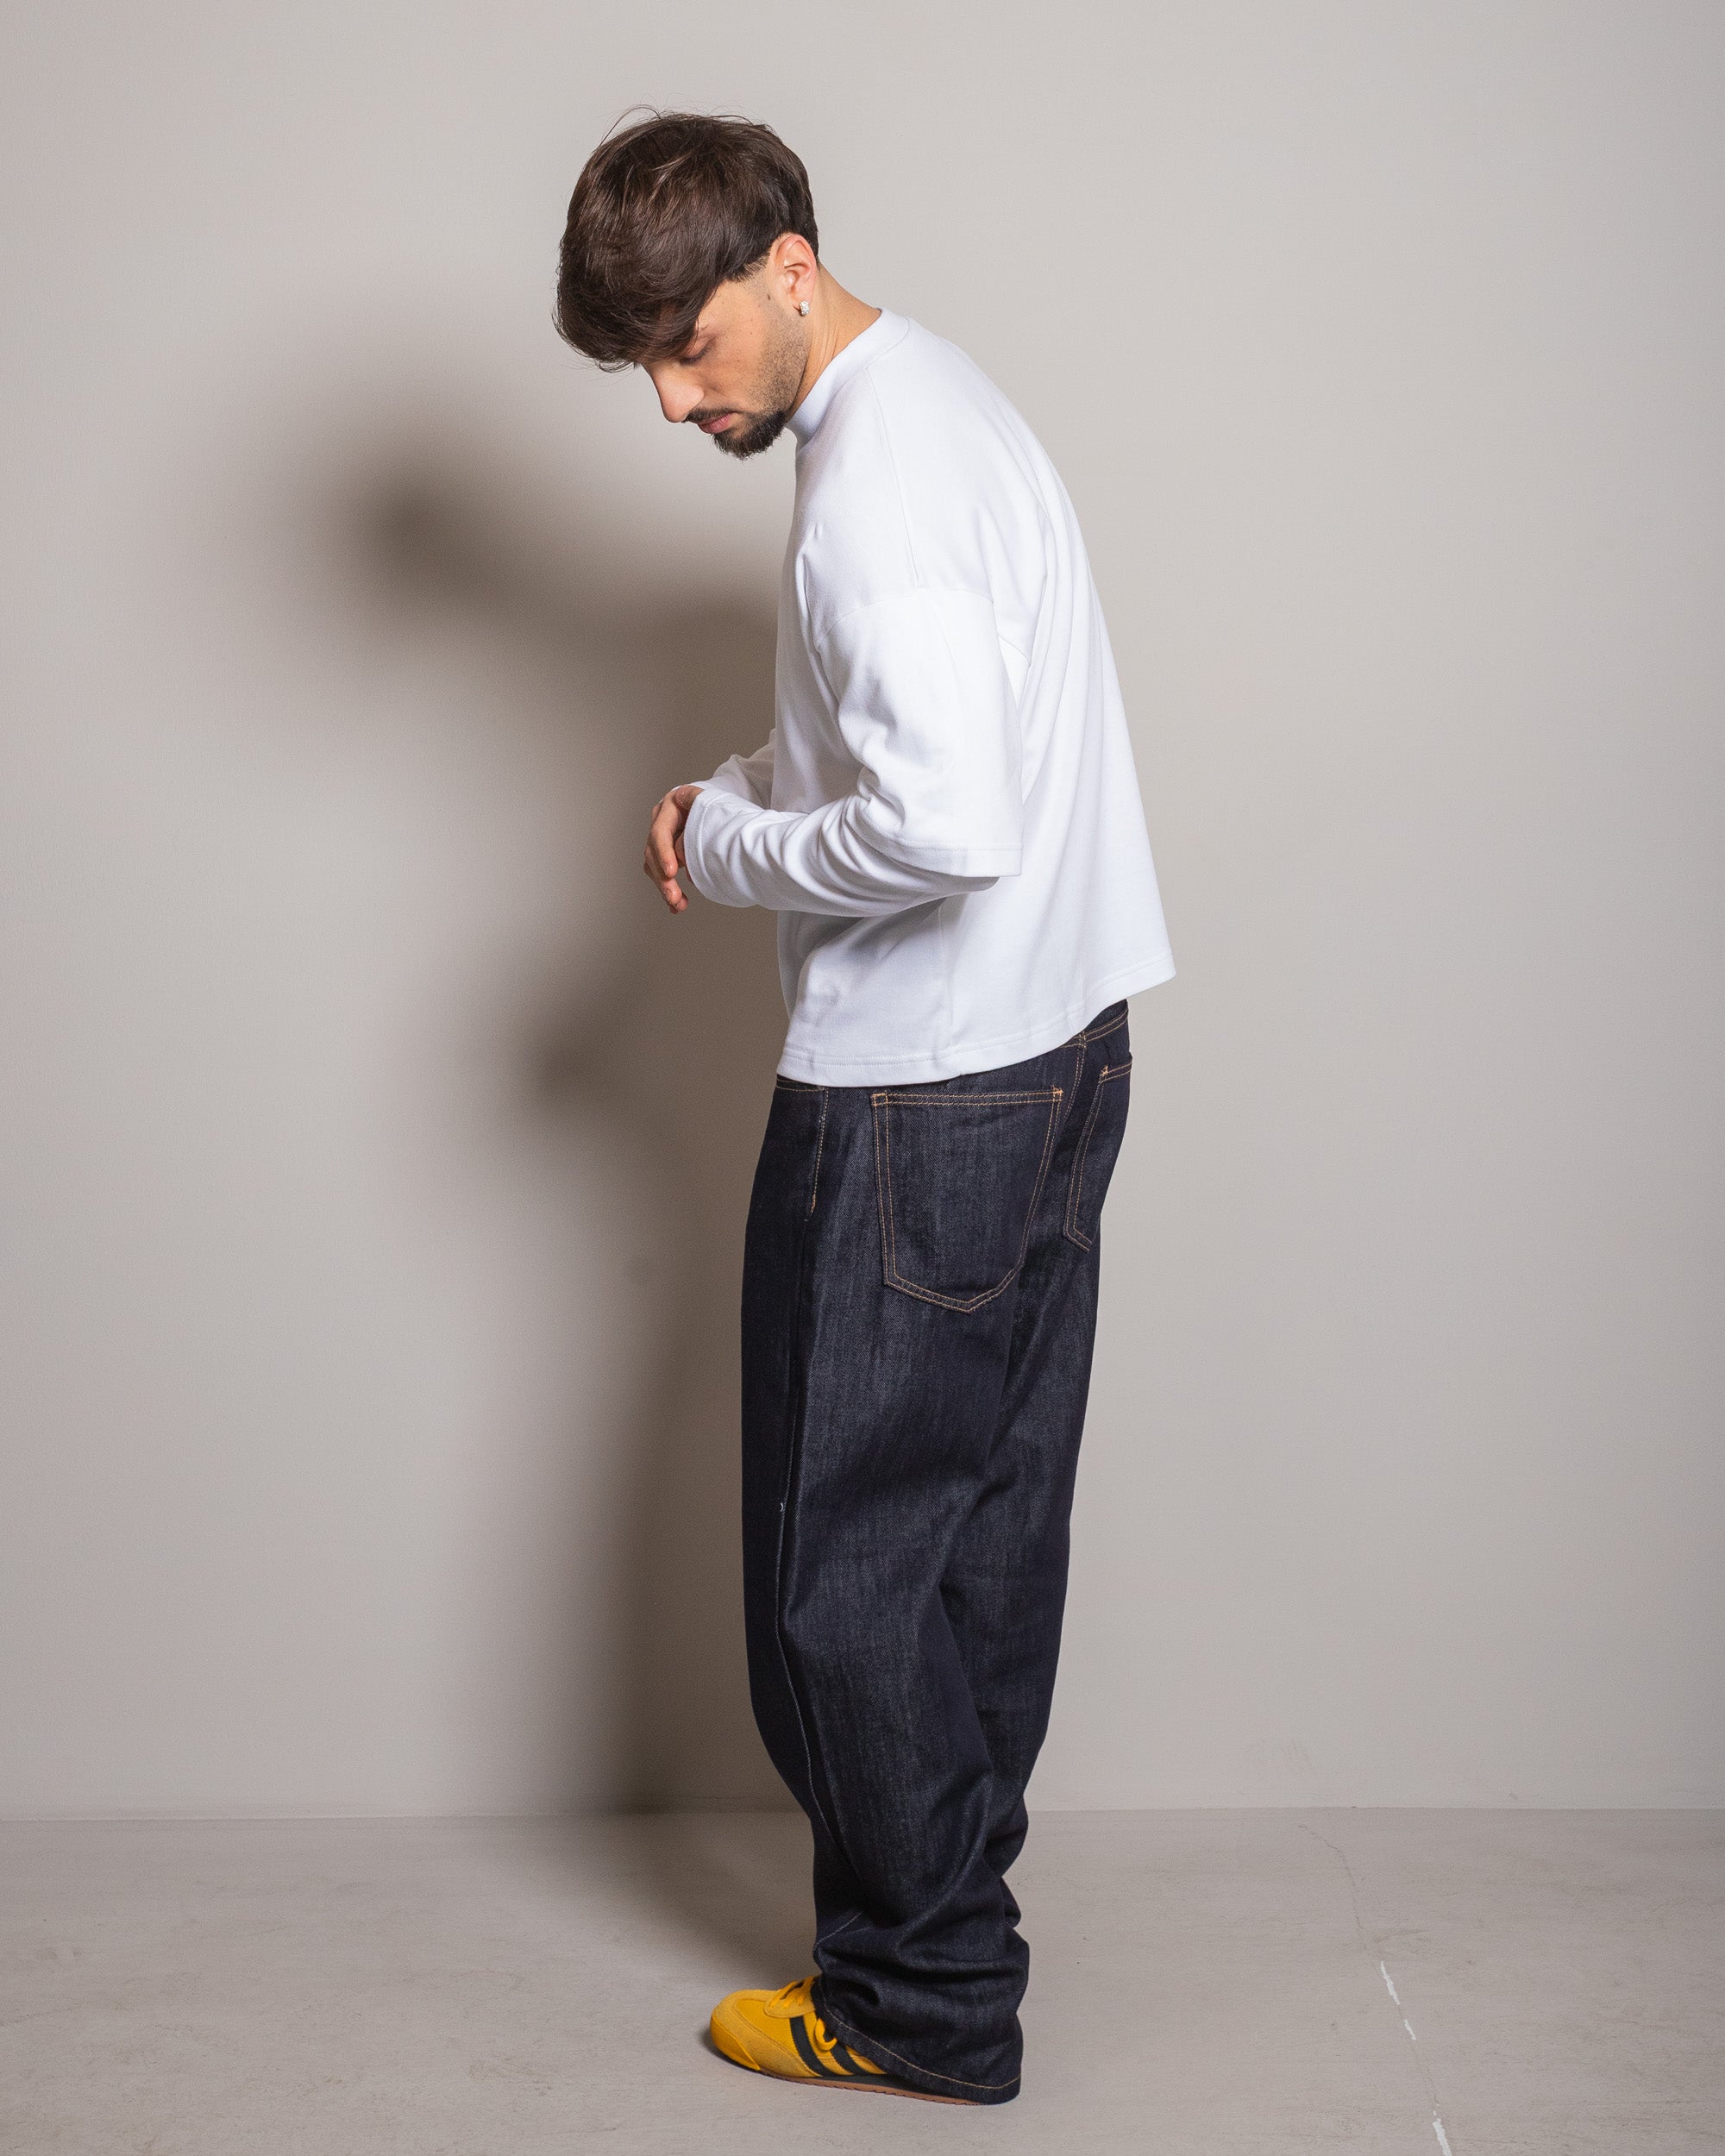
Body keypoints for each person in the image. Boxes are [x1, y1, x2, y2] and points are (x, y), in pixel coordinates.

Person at [554, 110, 1174, 2107]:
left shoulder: (866, 496)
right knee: (980, 1532)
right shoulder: (939, 400)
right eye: (643, 364)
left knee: (839, 1577)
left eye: (687, 344)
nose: (673, 400)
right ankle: (951, 1931)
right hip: (1058, 1049)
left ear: (787, 265)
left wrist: (732, 850)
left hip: (918, 1096)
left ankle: (917, 1992)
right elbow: (904, 723)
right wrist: (739, 783)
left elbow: (944, 819)